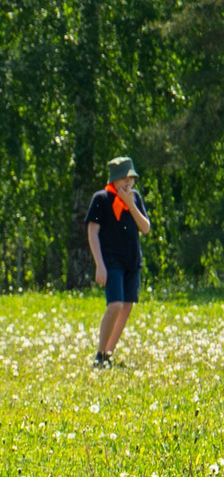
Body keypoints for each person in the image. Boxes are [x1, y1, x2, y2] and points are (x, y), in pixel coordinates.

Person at [88, 157, 152, 368]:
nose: (128, 183)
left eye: (131, 179)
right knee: (114, 304)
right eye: (124, 178)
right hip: (111, 261)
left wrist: (131, 205)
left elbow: (145, 228)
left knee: (126, 306)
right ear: (114, 180)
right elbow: (92, 232)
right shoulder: (101, 199)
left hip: (132, 260)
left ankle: (109, 353)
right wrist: (99, 264)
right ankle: (99, 353)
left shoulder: (135, 198)